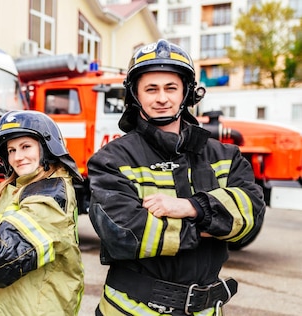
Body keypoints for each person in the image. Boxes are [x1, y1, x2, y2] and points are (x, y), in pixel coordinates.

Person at [87, 39, 265, 315]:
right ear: (135, 95)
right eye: (151, 89)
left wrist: (191, 207)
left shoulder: (225, 155)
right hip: (131, 309)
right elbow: (124, 234)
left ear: (187, 93)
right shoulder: (111, 159)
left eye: (171, 88)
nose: (162, 98)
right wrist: (213, 225)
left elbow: (251, 216)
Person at [0, 110, 85, 315]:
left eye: (26, 147)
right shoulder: (11, 189)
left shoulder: (52, 194)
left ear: (46, 148)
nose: (17, 157)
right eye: (11, 150)